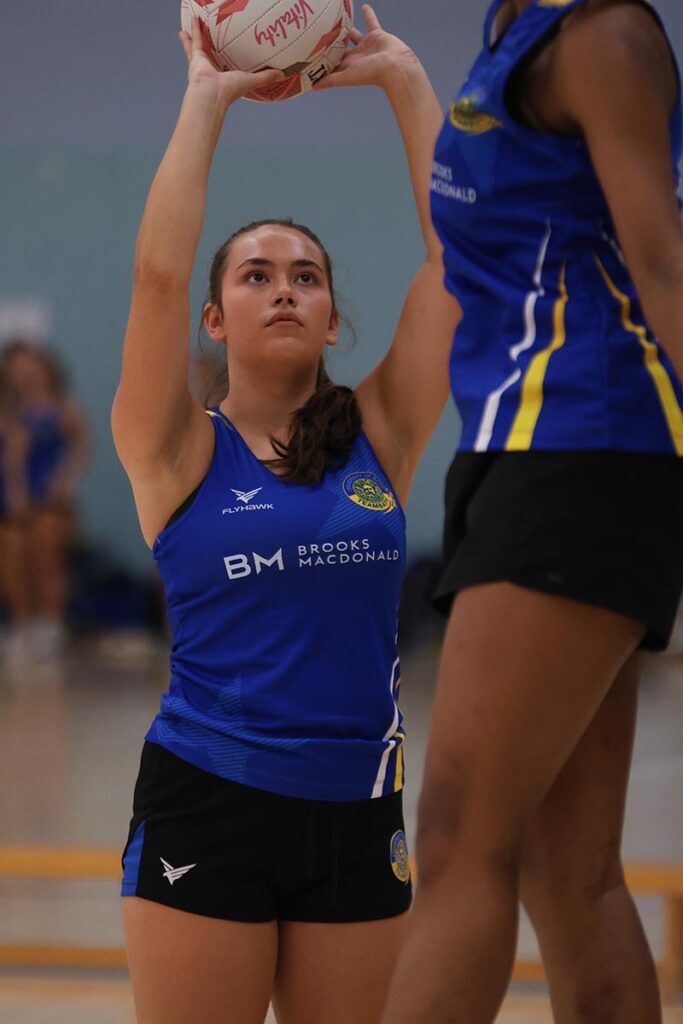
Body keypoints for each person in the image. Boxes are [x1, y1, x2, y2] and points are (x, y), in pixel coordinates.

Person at [113, 8, 459, 1024]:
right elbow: (153, 277)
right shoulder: (174, 447)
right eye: (255, 275)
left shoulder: (379, 431)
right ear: (215, 319)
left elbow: (457, 268)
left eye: (304, 276)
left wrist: (401, 78)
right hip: (208, 802)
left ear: (331, 317)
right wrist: (204, 100)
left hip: (358, 812)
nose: (283, 290)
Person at [379, 1, 683, 1022]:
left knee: (461, 839)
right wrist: (390, 74)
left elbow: (662, 261)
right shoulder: (512, 29)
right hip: (524, 452)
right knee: (570, 872)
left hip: (583, 450)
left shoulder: (602, 37)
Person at [0, 340, 90, 664]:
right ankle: (20, 624)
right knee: (12, 561)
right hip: (13, 502)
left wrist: (63, 482)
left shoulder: (62, 407)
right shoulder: (10, 411)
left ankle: (49, 626)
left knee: (46, 558)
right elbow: (12, 458)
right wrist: (15, 495)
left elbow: (82, 450)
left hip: (48, 499)